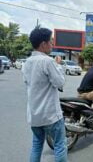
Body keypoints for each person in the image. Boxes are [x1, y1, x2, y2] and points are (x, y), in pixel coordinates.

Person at [22, 27, 67, 162]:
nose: (52, 44)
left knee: (36, 145)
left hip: (34, 115)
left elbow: (27, 82)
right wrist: (58, 66)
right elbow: (60, 83)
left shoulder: (26, 63)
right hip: (50, 114)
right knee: (59, 145)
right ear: (43, 44)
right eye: (51, 42)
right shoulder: (47, 61)